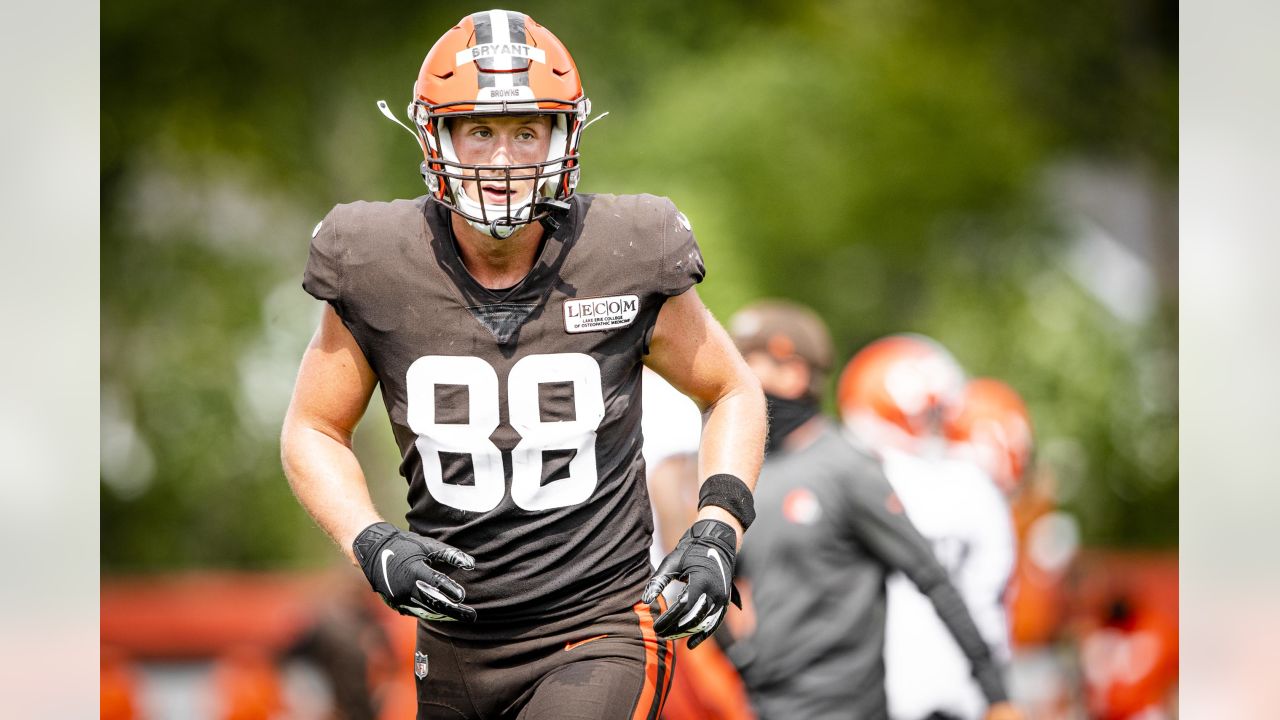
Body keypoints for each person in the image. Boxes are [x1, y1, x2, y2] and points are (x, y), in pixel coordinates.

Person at [279, 10, 766, 720]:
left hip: (595, 626)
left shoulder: (626, 249)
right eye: (479, 131)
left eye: (524, 131)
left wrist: (718, 526)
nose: (503, 160)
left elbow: (731, 390)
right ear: (435, 135)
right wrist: (370, 538)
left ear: (564, 136)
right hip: (451, 642)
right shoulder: (374, 259)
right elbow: (314, 428)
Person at [720, 300, 1020, 720]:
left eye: (754, 362)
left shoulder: (847, 469)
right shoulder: (743, 473)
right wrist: (743, 658)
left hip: (847, 708)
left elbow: (933, 578)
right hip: (768, 708)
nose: (740, 377)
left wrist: (997, 696)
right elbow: (714, 584)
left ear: (797, 373)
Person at [837, 337, 1017, 720]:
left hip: (877, 689)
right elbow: (989, 604)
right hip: (967, 685)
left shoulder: (858, 478)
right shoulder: (973, 485)